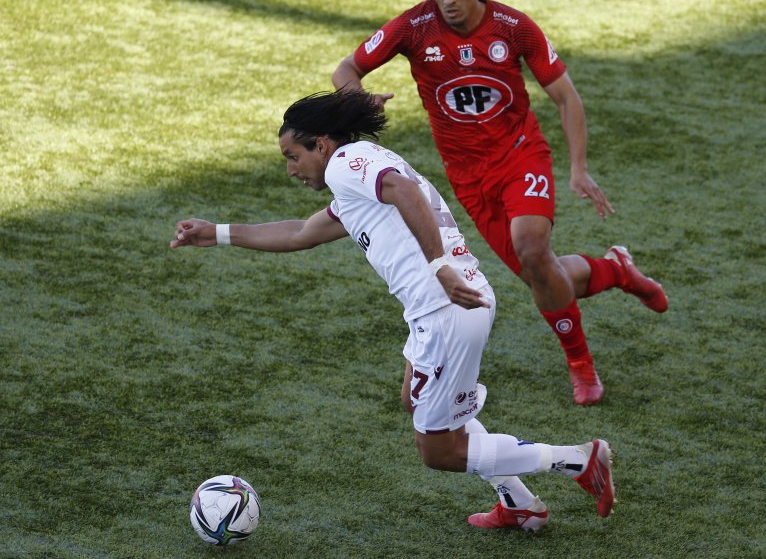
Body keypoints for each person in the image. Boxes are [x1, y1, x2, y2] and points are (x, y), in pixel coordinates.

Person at [169, 89, 615, 530]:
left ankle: (576, 459)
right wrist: (217, 234)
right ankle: (518, 502)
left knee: (439, 452)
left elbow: (402, 190)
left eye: (292, 156)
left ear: (321, 144)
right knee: (414, 400)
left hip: (446, 308)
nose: (291, 170)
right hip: (440, 311)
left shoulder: (347, 164)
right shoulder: (354, 178)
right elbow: (300, 233)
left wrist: (439, 266)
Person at [331, 0, 668, 406]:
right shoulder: (413, 28)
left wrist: (578, 168)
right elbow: (345, 69)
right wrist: (359, 98)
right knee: (540, 275)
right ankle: (616, 271)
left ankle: (581, 366)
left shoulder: (514, 28)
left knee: (531, 247)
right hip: (468, 177)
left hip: (520, 155)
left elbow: (566, 98)